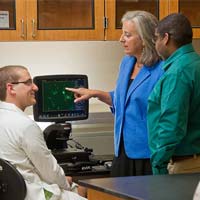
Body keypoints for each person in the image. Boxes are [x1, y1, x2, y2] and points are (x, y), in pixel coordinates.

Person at [66, 11, 164, 177]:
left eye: (127, 35)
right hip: (122, 149)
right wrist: (95, 93)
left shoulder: (161, 69)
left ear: (145, 38)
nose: (121, 39)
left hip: (147, 152)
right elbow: (123, 101)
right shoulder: (127, 62)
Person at [0, 65, 87, 200]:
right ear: (11, 88)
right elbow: (50, 172)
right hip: (34, 194)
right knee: (85, 191)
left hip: (11, 193)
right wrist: (67, 184)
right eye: (28, 82)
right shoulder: (25, 125)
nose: (35, 87)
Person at [147, 13, 200, 175]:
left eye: (156, 39)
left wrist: (158, 165)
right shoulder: (195, 64)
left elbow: (172, 125)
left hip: (184, 165)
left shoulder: (177, 73)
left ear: (166, 38)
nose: (155, 44)